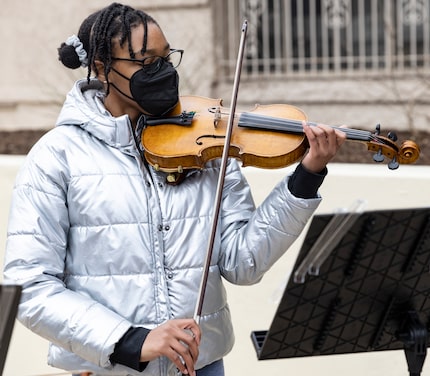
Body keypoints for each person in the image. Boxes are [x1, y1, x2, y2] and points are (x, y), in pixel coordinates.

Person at [3, 2, 346, 376]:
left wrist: (306, 176)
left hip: (201, 366)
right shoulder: (57, 157)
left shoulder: (206, 146)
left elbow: (242, 262)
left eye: (167, 58)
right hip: (110, 369)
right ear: (102, 68)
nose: (163, 72)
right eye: (147, 62)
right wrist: (129, 340)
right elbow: (31, 286)